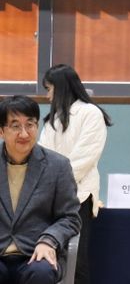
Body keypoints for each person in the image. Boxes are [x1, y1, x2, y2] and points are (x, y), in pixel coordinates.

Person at [39, 64, 112, 284]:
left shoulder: (91, 113)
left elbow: (84, 158)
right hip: (49, 197)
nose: (48, 95)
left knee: (76, 261)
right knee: (51, 257)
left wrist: (55, 184)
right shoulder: (53, 119)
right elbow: (42, 156)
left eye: (49, 89)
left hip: (78, 197)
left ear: (61, 87)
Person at [0, 95, 81, 284]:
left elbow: (70, 217)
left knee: (41, 273)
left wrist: (49, 240)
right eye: (15, 126)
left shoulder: (58, 166)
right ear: (1, 131)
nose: (24, 134)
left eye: (30, 125)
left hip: (36, 253)